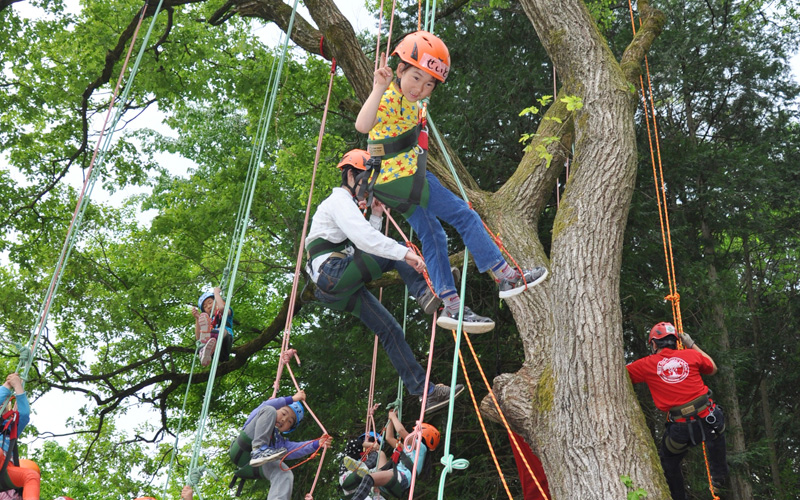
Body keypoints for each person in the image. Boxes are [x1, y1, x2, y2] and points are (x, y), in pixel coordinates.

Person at [355, 30, 548, 334]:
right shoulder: (390, 97)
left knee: (434, 235)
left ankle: (453, 306)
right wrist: (379, 87)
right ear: (401, 70)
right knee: (465, 215)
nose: (421, 88)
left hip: (391, 184)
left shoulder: (414, 103)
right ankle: (506, 275)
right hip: (402, 176)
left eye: (429, 83)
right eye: (416, 77)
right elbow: (363, 125)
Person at [306, 149, 464, 415]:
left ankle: (425, 394)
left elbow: (364, 248)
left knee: (390, 330)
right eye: (365, 180)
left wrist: (376, 216)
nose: (367, 188)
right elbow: (368, 242)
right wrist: (406, 254)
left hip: (336, 286)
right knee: (399, 248)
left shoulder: (348, 207)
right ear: (350, 174)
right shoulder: (339, 201)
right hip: (333, 274)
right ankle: (427, 292)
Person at [626, 322, 728, 499]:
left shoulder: (646, 365)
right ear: (675, 342)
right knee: (716, 434)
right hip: (709, 418)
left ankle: (678, 496)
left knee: (669, 460)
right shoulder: (690, 355)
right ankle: (719, 476)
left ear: (654, 344)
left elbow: (621, 374)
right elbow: (713, 367)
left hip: (681, 429)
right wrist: (691, 344)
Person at [228, 390, 332, 500]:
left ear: (289, 429)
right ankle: (259, 449)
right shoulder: (263, 412)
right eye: (283, 413)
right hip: (242, 448)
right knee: (269, 410)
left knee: (284, 473)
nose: (284, 419)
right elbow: (267, 405)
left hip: (255, 466)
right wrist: (292, 399)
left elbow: (295, 449)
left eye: (289, 421)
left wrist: (317, 444)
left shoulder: (279, 442)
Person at [348, 409, 439, 500]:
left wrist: (393, 417)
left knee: (368, 478)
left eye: (415, 432)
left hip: (400, 477)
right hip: (397, 479)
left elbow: (401, 431)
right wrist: (391, 420)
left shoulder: (421, 447)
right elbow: (389, 438)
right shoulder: (409, 450)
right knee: (381, 454)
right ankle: (371, 471)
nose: (412, 434)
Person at [0, 373, 39, 500]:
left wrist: (18, 387)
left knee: (31, 476)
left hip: (4, 469)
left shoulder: (10, 427)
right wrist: (8, 384)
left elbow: (24, 415)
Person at [191, 286, 233, 367]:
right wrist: (197, 318)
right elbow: (198, 337)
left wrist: (216, 293)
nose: (209, 306)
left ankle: (207, 340)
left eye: (210, 303)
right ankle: (204, 352)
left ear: (216, 301)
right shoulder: (210, 321)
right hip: (214, 351)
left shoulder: (227, 310)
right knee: (201, 341)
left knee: (221, 331)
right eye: (205, 307)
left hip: (224, 342)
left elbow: (221, 308)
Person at [339, 433, 384, 499]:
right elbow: (351, 443)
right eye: (371, 440)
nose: (375, 446)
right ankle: (362, 469)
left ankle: (363, 468)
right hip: (349, 477)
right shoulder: (352, 452)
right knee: (360, 473)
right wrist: (371, 445)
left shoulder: (374, 458)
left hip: (366, 486)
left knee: (378, 456)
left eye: (378, 444)